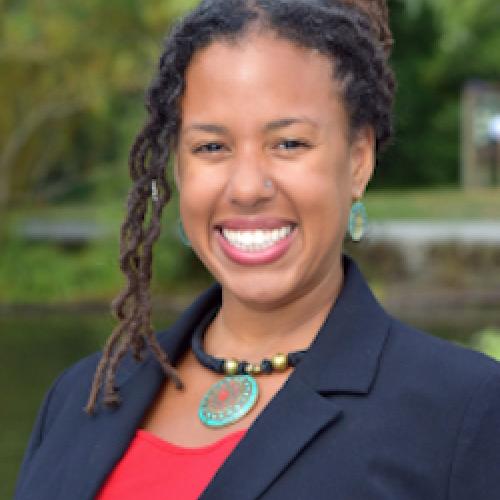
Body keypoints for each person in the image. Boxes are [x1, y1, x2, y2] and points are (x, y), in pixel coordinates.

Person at [14, 0, 500, 499]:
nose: (247, 188)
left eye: (288, 143)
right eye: (211, 147)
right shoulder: (85, 394)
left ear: (358, 160)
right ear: (179, 168)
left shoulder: (467, 412)